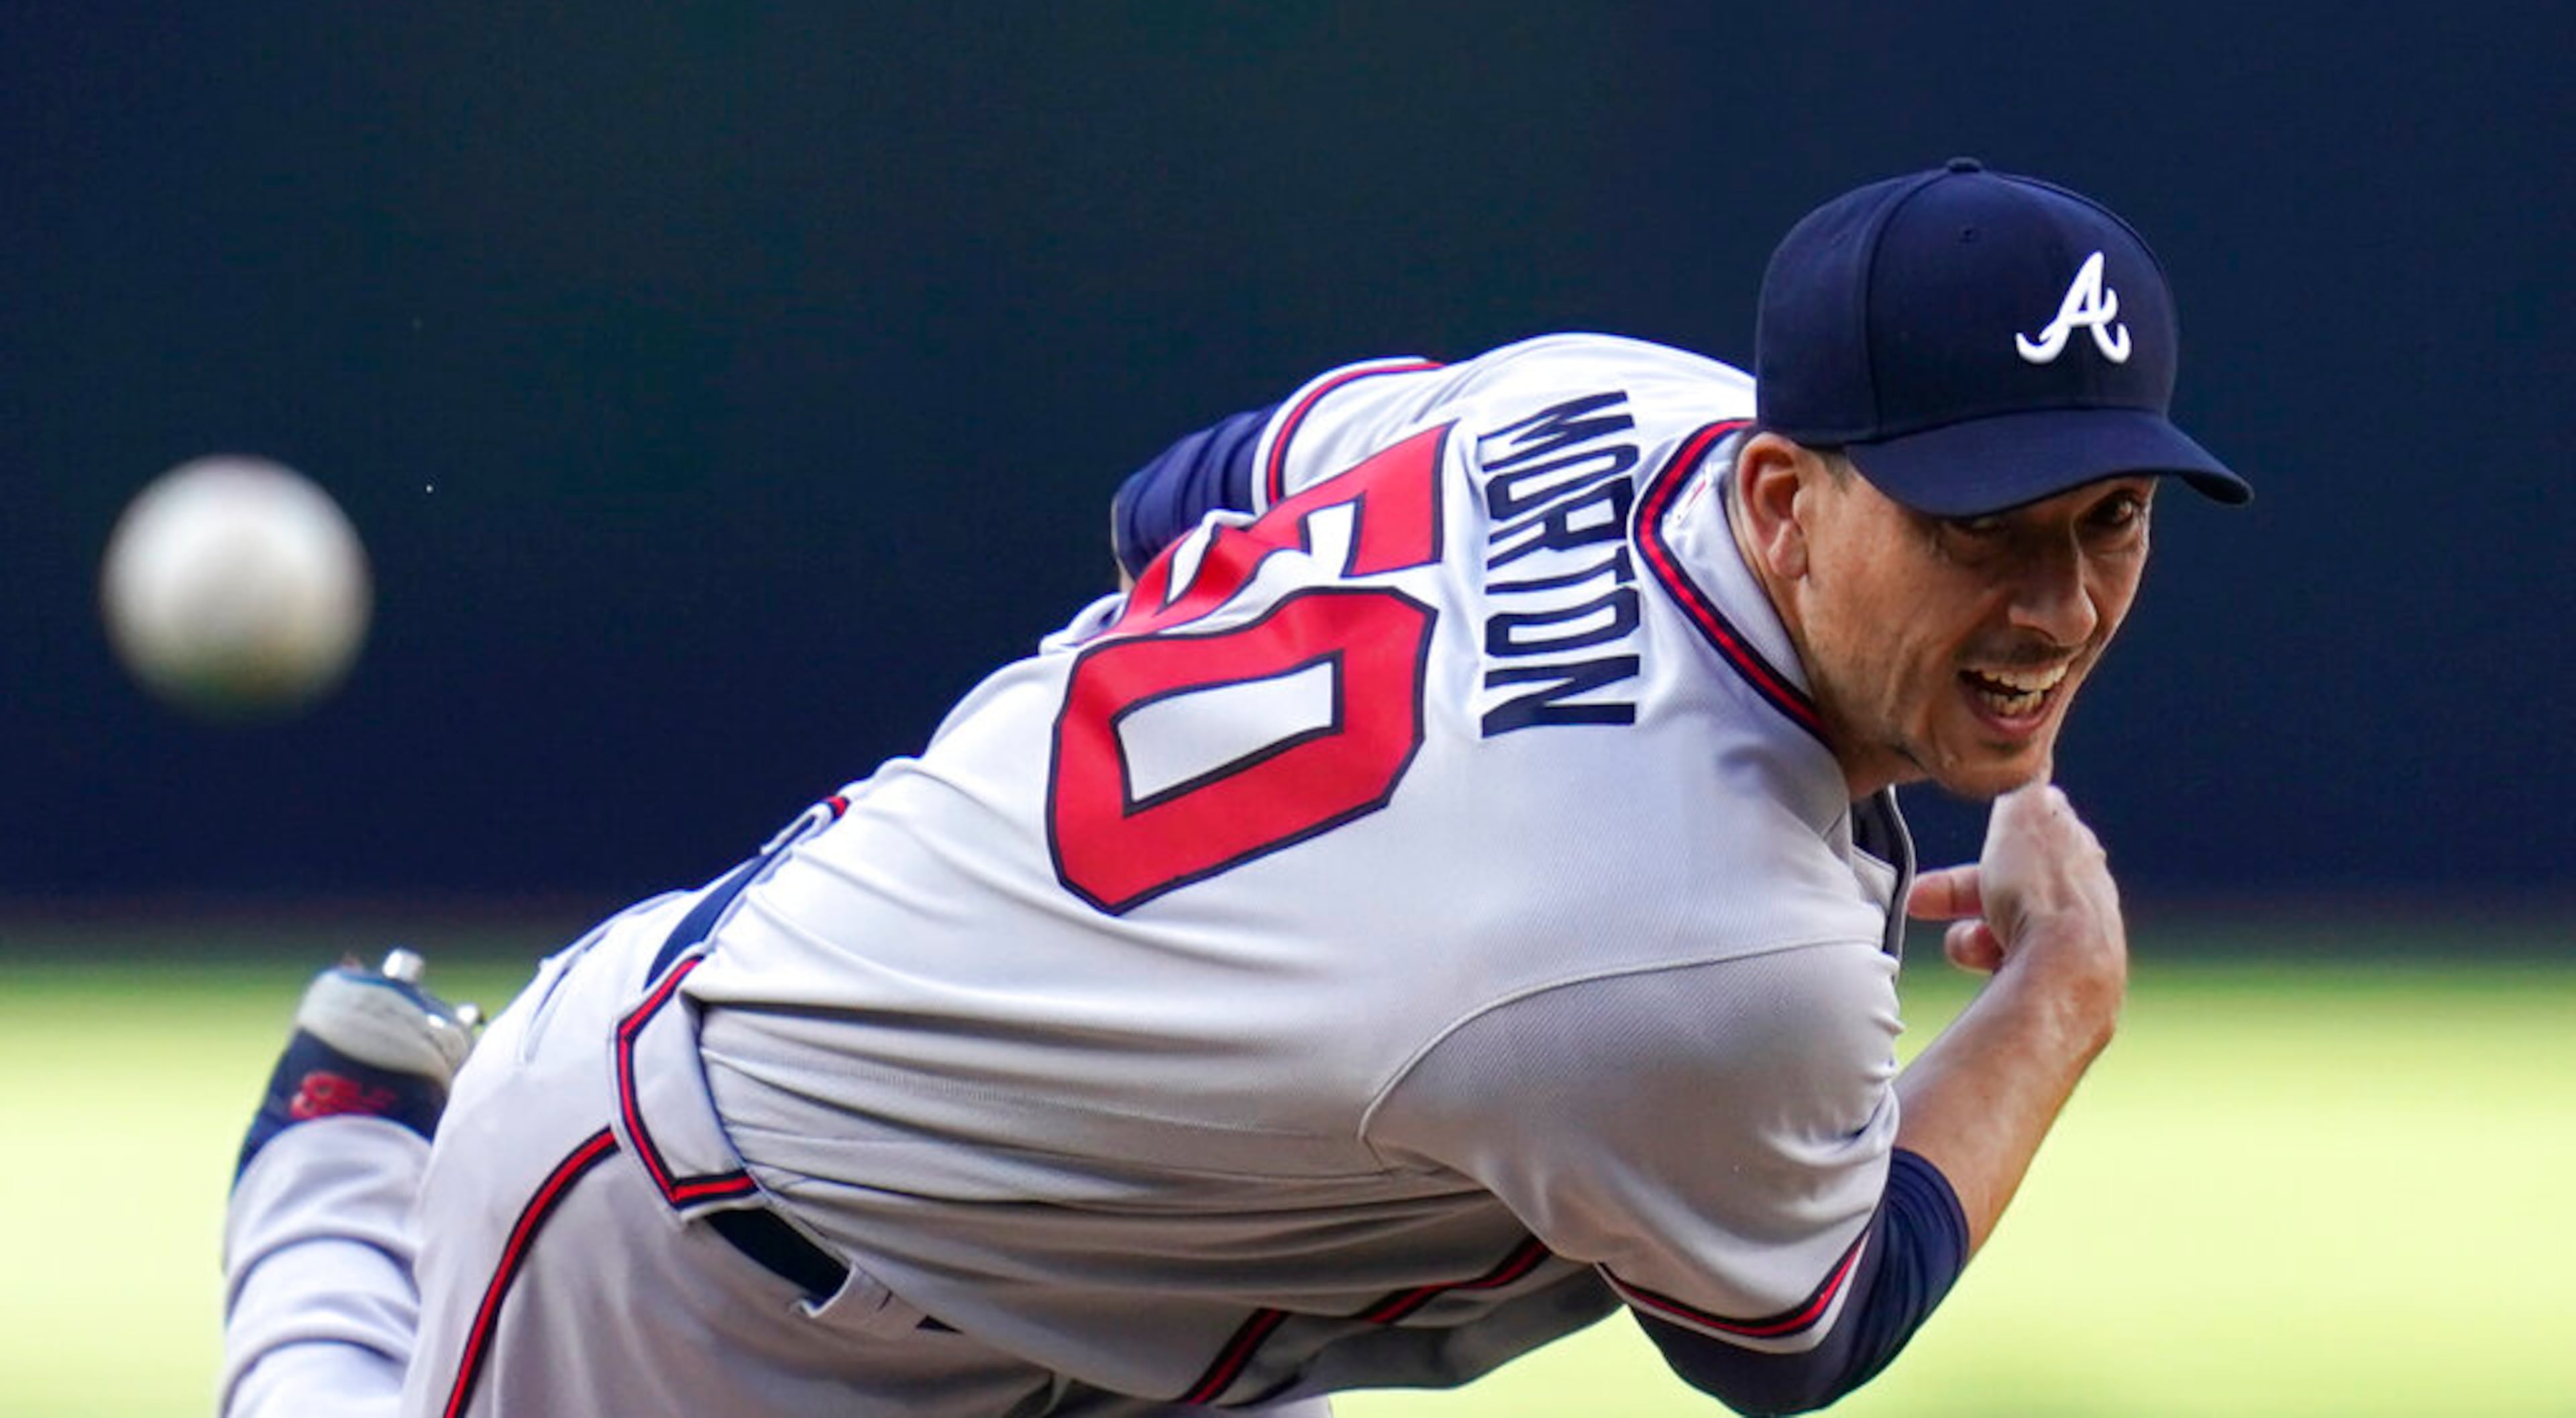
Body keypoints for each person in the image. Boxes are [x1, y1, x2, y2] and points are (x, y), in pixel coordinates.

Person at [221, 158, 2249, 1417]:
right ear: (1789, 498)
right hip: (703, 1256)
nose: (2062, 598)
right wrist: (2059, 992)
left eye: (2114, 518)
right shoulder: (1701, 971)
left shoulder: (1606, 398)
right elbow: (1806, 1333)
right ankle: (339, 1175)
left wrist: (1341, 890)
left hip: (1112, 1301)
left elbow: (1179, 497)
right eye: (1985, 525)